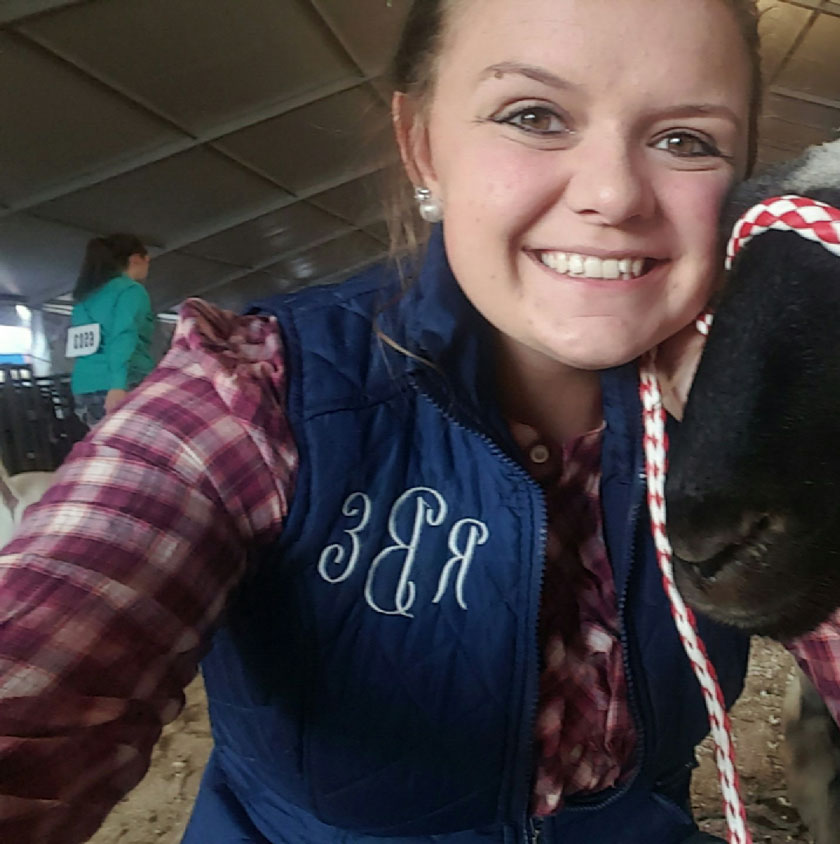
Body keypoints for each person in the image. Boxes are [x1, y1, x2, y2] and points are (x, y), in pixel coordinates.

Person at [0, 0, 761, 841]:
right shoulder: (259, 395)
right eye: (534, 116)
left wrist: (768, 432)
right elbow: (44, 664)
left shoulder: (757, 414)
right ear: (423, 145)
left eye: (687, 140)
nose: (614, 194)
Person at [66, 233, 155, 425]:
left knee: (105, 450)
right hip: (122, 383)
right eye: (147, 258)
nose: (149, 263)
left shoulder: (85, 296)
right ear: (135, 259)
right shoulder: (131, 291)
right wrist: (118, 385)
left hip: (84, 385)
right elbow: (124, 335)